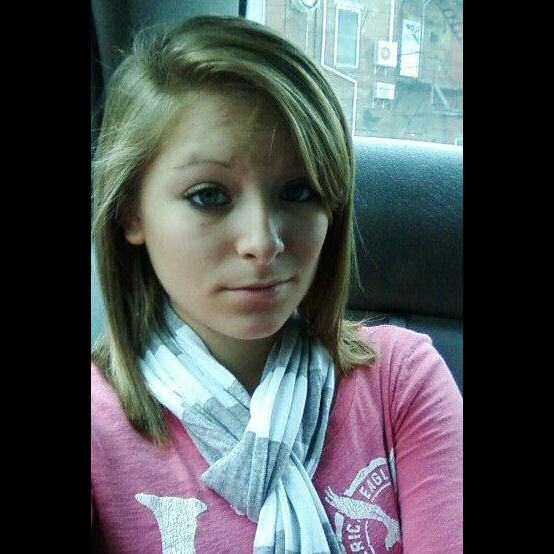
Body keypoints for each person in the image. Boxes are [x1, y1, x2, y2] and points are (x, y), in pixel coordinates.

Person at [91, 15, 462, 554]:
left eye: (299, 192)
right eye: (209, 196)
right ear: (131, 211)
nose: (263, 242)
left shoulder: (401, 382)